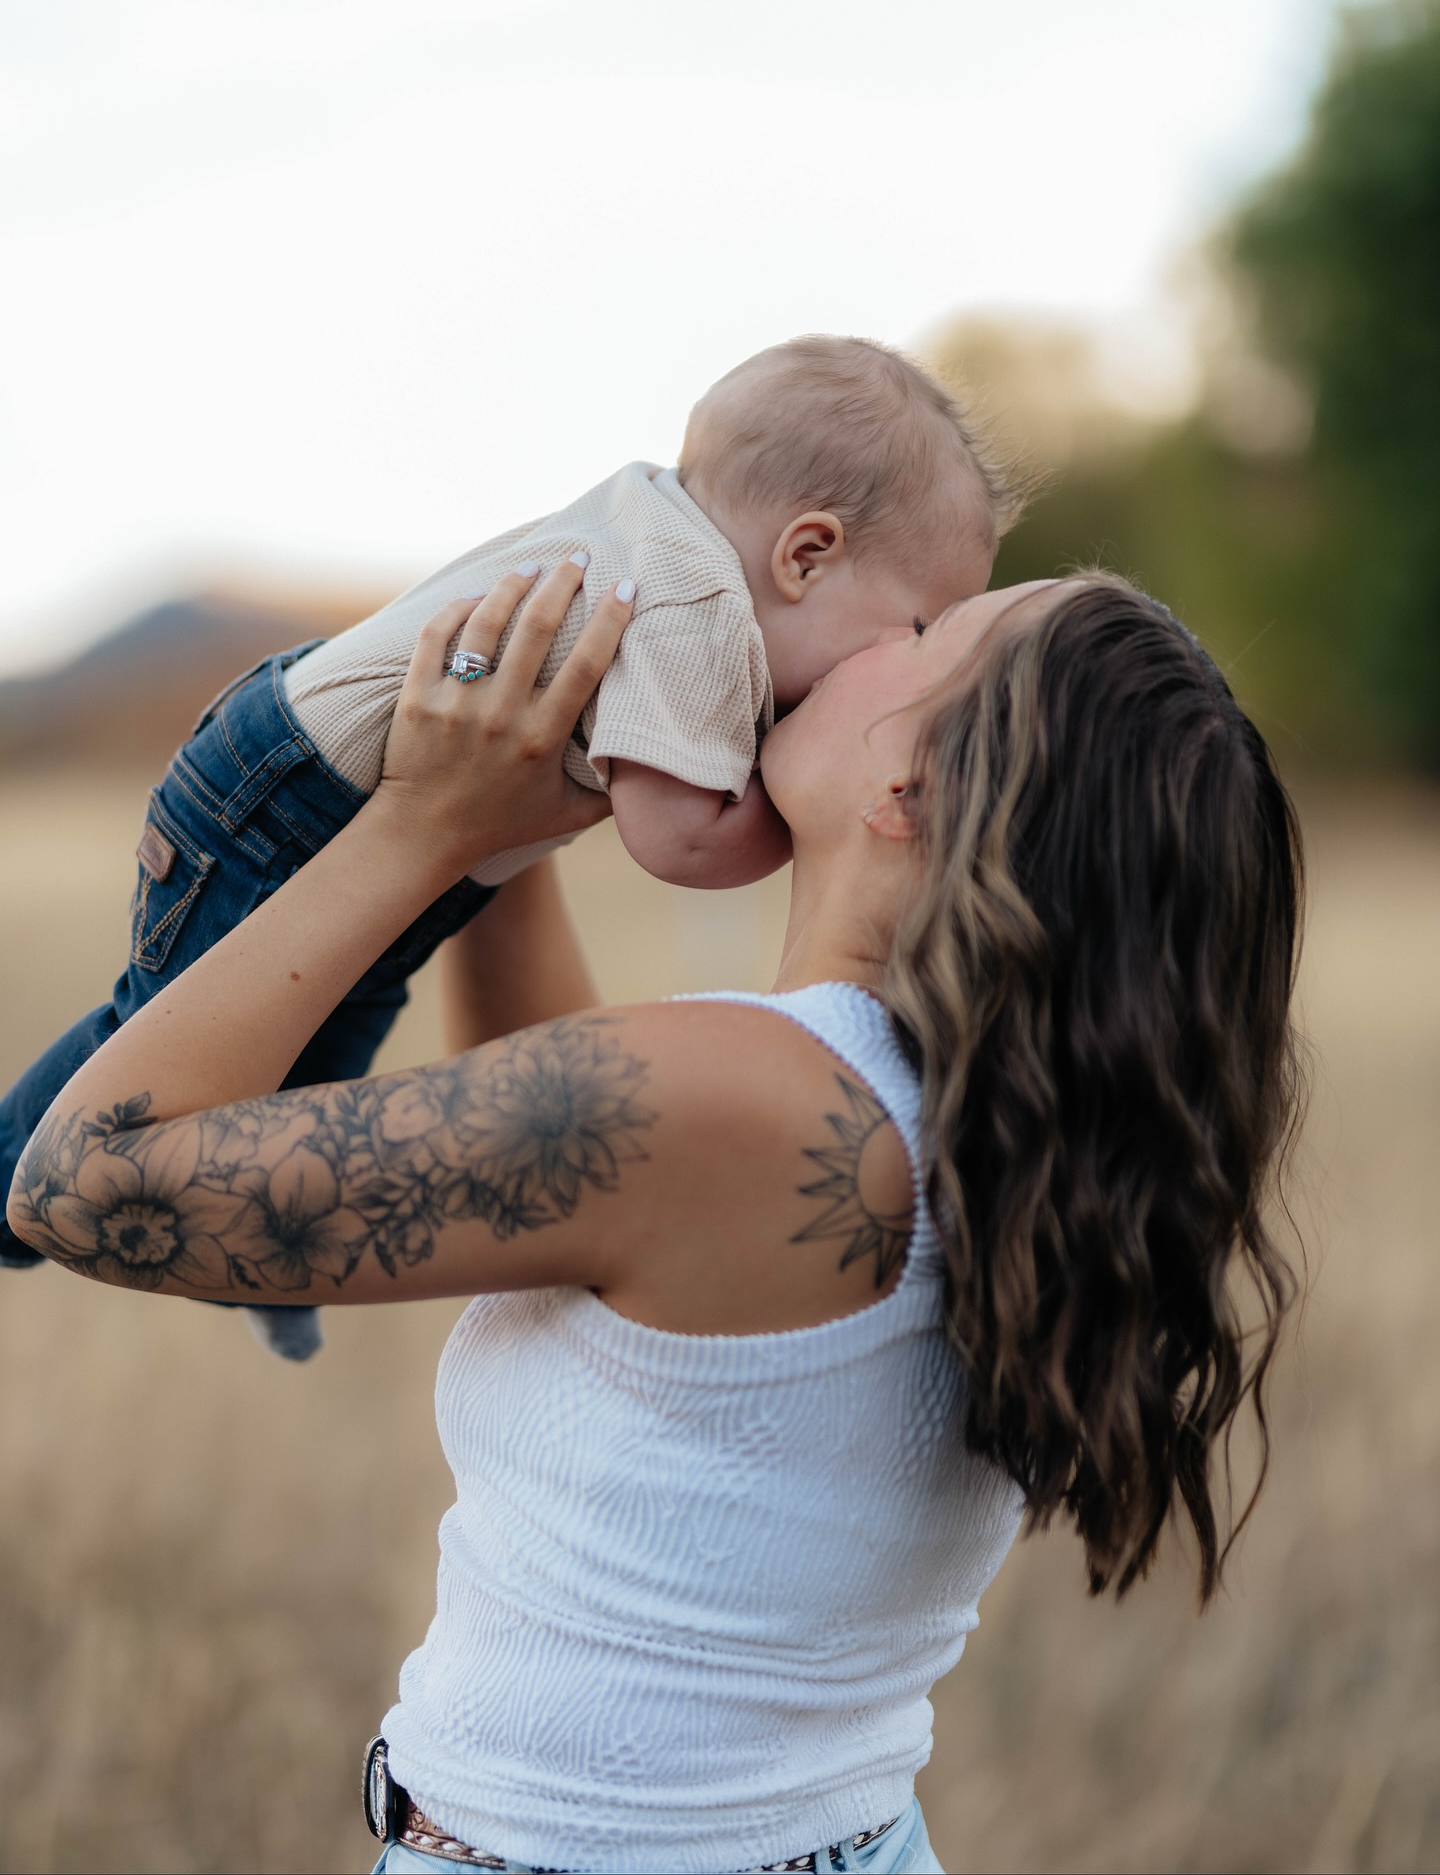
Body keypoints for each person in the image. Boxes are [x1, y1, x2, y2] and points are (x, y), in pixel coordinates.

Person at [7, 556, 1306, 1875]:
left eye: (924, 634)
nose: (859, 636)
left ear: (907, 780)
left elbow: (82, 1182)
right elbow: (587, 1172)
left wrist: (420, 830)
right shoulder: (961, 1113)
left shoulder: (754, 1105)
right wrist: (506, 825)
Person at [0, 334, 1018, 1363]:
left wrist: (450, 827)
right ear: (805, 552)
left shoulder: (664, 538)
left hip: (336, 786)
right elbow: (681, 842)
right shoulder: (699, 608)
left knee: (333, 1028)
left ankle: (255, 1223)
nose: (908, 667)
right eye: (919, 630)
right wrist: (786, 791)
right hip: (289, 794)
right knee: (165, 1026)